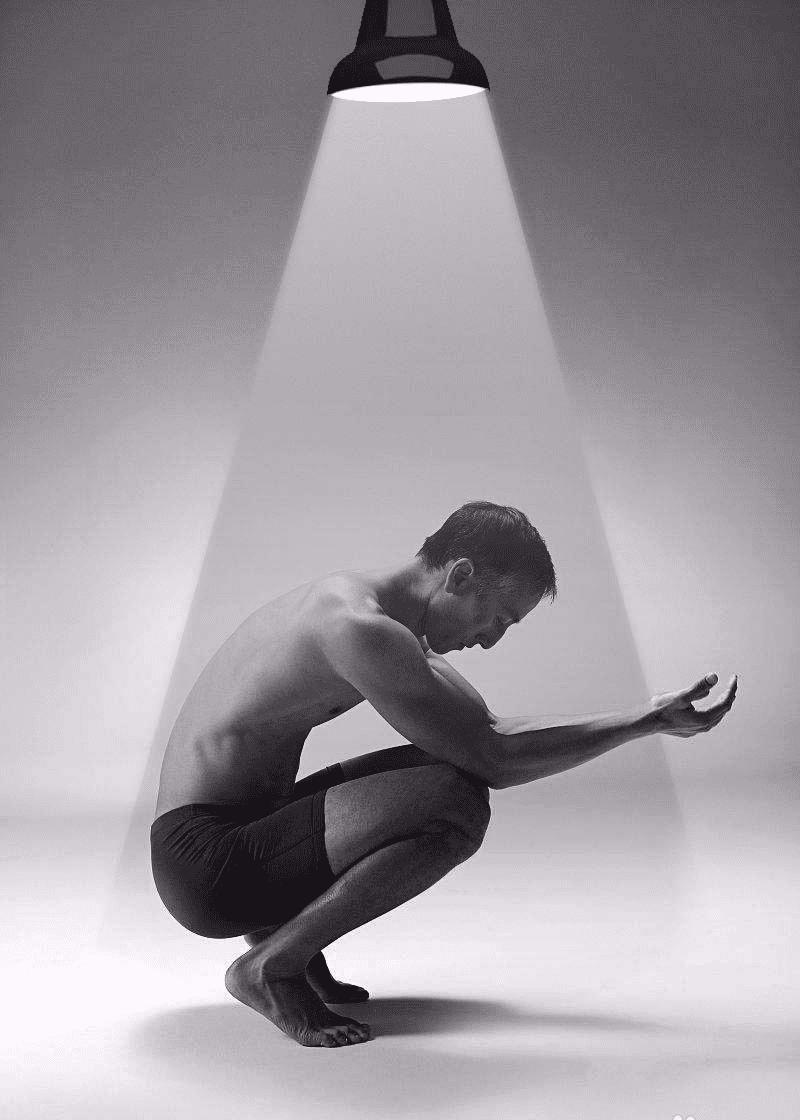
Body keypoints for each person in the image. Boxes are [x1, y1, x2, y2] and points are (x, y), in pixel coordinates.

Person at [151, 499, 737, 1048]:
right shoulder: (356, 627)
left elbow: (486, 731)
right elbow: (494, 761)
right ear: (460, 576)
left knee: (442, 768)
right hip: (208, 866)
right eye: (498, 617)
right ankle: (271, 966)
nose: (491, 640)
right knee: (453, 800)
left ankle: (288, 947)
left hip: (245, 838)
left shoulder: (383, 616)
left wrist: (644, 716)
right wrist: (641, 725)